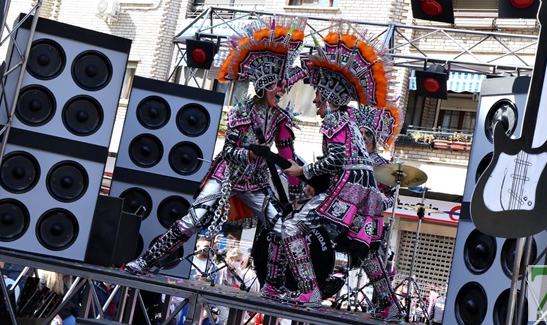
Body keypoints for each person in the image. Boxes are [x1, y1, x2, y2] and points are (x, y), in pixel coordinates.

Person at [125, 16, 306, 276]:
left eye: (284, 86)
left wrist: (297, 196)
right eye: (278, 85)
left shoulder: (280, 119)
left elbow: (288, 160)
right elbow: (230, 151)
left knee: (283, 227)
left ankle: (288, 286)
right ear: (264, 84)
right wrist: (250, 152)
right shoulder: (242, 111)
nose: (283, 90)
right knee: (195, 218)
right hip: (228, 175)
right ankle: (145, 261)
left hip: (255, 181)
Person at [278, 21, 402, 321]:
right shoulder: (351, 121)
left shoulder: (334, 120)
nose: (316, 103)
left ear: (330, 98)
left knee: (291, 228)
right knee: (364, 250)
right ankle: (389, 306)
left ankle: (309, 290)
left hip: (348, 191)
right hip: (366, 192)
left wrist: (303, 170)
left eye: (318, 98)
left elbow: (335, 159)